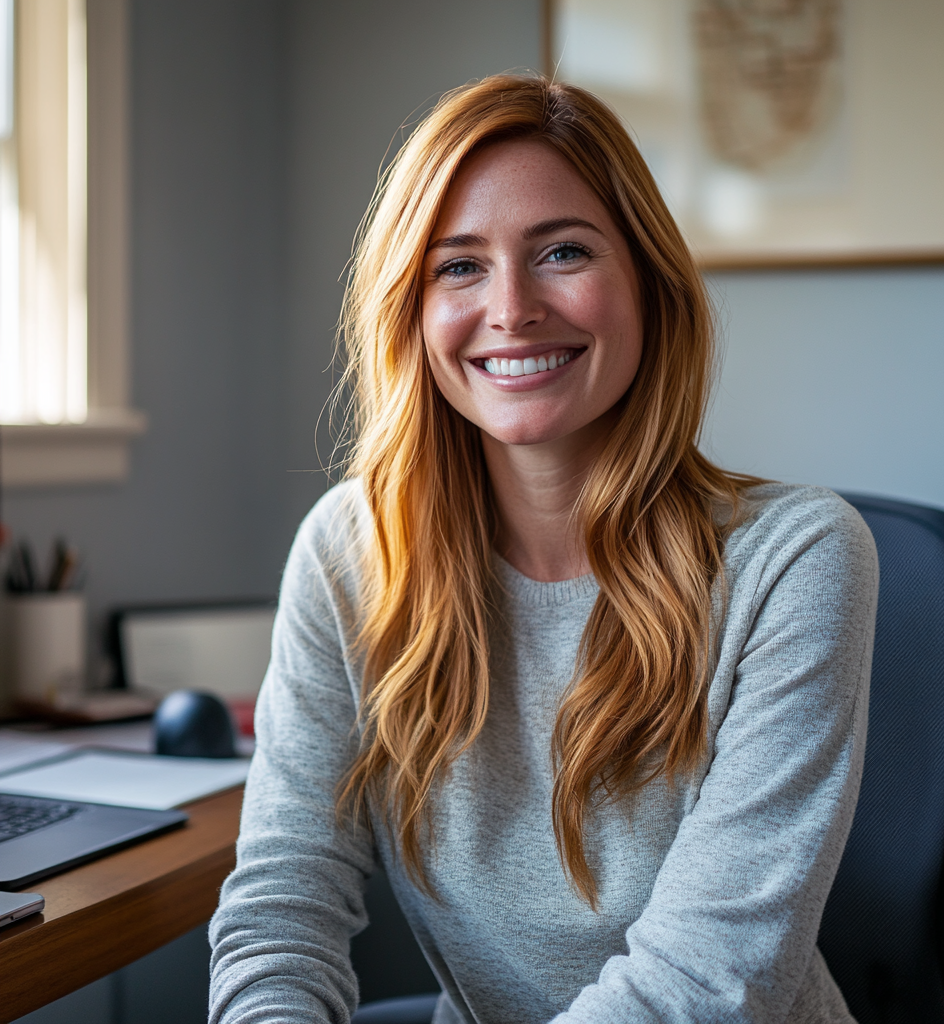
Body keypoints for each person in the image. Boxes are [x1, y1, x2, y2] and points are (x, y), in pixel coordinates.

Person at [208, 74, 878, 1024]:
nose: (512, 308)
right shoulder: (353, 554)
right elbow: (283, 909)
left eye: (562, 251)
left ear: (647, 280)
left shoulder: (796, 559)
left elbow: (708, 983)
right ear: (413, 308)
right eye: (459, 265)